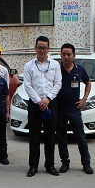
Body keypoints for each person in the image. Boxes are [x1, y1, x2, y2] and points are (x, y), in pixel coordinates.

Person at [23, 35, 62, 177]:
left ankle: (50, 165)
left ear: (48, 49)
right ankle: (33, 166)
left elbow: (58, 84)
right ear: (35, 48)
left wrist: (48, 99)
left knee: (50, 136)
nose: (42, 50)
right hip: (35, 104)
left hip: (51, 103)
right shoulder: (29, 66)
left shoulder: (55, 65)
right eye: (39, 47)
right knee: (34, 136)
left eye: (45, 48)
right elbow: (27, 85)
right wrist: (39, 100)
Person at [56, 43, 93, 175]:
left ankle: (86, 163)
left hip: (74, 109)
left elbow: (88, 83)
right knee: (61, 138)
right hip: (60, 110)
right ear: (61, 55)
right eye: (64, 54)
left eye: (69, 54)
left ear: (74, 55)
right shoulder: (56, 69)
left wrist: (84, 99)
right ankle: (65, 162)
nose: (66, 57)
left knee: (80, 137)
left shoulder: (80, 70)